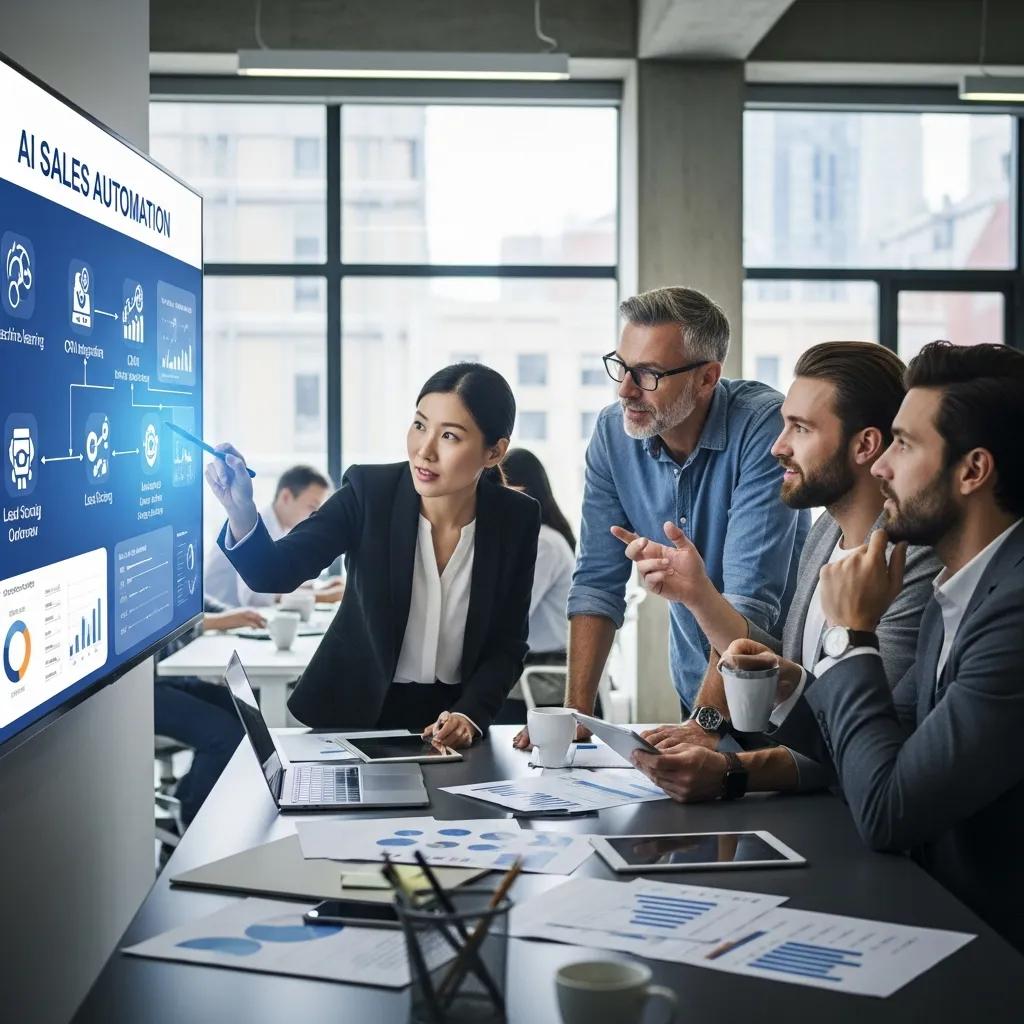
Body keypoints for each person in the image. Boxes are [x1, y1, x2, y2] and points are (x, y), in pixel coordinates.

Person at [639, 341, 1024, 950]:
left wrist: (850, 637)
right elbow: (873, 737)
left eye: (906, 444)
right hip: (922, 904)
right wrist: (780, 674)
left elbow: (887, 804)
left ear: (972, 471)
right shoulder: (959, 584)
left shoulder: (1004, 607)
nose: (883, 468)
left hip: (981, 939)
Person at [616, 342, 940, 800]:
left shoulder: (913, 558)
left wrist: (731, 771)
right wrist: (698, 595)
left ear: (866, 445)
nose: (777, 447)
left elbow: (859, 731)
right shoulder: (826, 531)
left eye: (800, 429)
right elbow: (796, 678)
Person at [514, 286, 808, 750]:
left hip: (777, 701)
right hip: (696, 687)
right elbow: (596, 582)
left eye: (648, 374)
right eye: (623, 367)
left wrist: (706, 724)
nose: (625, 390)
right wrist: (577, 714)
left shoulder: (762, 426)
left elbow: (750, 602)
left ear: (708, 377)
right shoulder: (614, 434)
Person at [206, 363, 541, 748]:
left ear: (494, 452)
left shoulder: (516, 519)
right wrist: (240, 510)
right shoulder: (370, 492)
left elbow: (507, 644)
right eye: (419, 425)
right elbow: (273, 574)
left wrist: (470, 714)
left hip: (452, 727)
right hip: (356, 718)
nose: (424, 450)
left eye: (449, 436)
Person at [154, 600, 265, 826]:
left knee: (245, 712)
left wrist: (232, 614)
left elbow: (198, 600)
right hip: (137, 692)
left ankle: (185, 796)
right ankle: (190, 823)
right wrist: (221, 620)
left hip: (169, 678)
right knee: (225, 736)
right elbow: (159, 625)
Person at [492, 448, 577, 724]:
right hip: (535, 674)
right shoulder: (541, 538)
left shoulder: (543, 543)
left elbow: (509, 616)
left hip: (543, 680)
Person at [204, 464, 344, 608]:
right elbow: (255, 595)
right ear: (286, 497)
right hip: (221, 616)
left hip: (242, 616)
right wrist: (325, 596)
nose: (314, 516)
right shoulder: (258, 527)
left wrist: (320, 588)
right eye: (312, 507)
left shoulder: (281, 527)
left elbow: (281, 580)